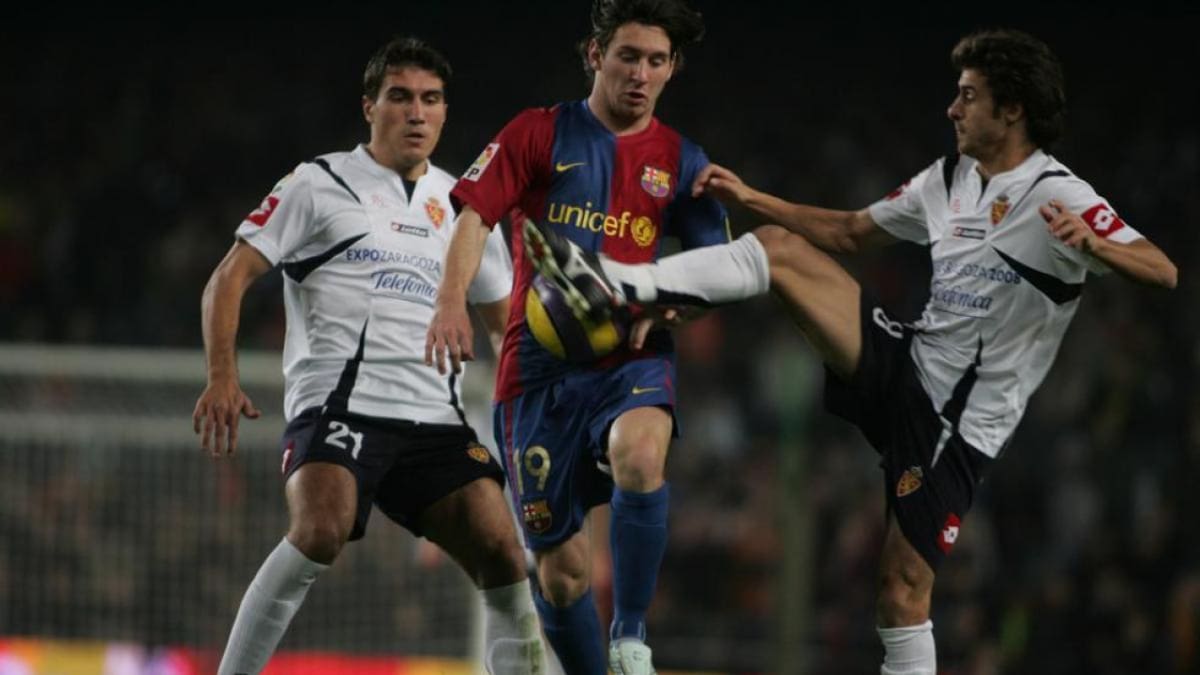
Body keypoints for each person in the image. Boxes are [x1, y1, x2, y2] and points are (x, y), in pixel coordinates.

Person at [523, 28, 1178, 674]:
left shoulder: (1058, 193)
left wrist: (1097, 248)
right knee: (780, 250)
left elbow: (1162, 268)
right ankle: (620, 280)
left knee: (900, 591)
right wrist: (754, 200)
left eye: (969, 95)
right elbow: (850, 230)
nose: (952, 108)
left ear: (1012, 109)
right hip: (905, 362)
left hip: (955, 424)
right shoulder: (947, 178)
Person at [191, 36, 544, 675]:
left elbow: (507, 330)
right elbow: (229, 277)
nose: (417, 113)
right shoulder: (317, 183)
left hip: (434, 420)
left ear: (444, 112)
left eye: (431, 100)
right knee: (321, 530)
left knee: (503, 551)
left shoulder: (465, 206)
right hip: (340, 407)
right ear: (369, 107)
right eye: (401, 97)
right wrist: (222, 375)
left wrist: (539, 409)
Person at [424, 1, 725, 672]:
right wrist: (450, 302)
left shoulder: (682, 161)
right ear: (595, 55)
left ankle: (632, 636)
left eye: (656, 61)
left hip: (631, 356)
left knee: (642, 456)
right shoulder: (538, 133)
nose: (640, 73)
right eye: (628, 56)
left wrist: (671, 308)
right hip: (536, 375)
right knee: (561, 574)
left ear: (672, 68)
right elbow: (472, 219)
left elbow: (714, 271)